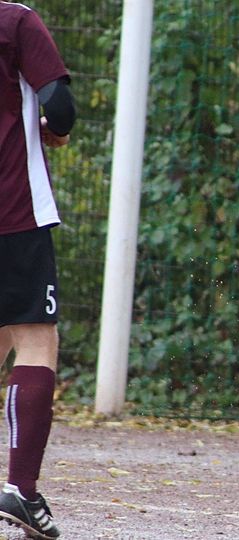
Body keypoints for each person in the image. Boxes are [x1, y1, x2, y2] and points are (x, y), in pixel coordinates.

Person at [0, 2, 76, 540]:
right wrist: (54, 127)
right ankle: (21, 491)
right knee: (35, 340)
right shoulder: (15, 20)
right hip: (12, 209)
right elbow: (61, 106)